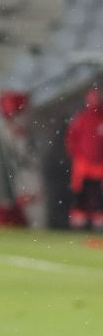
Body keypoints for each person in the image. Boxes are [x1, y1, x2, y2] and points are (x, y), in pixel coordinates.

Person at [65, 87, 103, 231]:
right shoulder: (81, 118)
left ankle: (98, 219)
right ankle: (79, 221)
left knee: (98, 193)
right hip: (84, 164)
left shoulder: (100, 118)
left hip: (100, 165)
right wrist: (77, 154)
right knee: (81, 192)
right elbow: (71, 138)